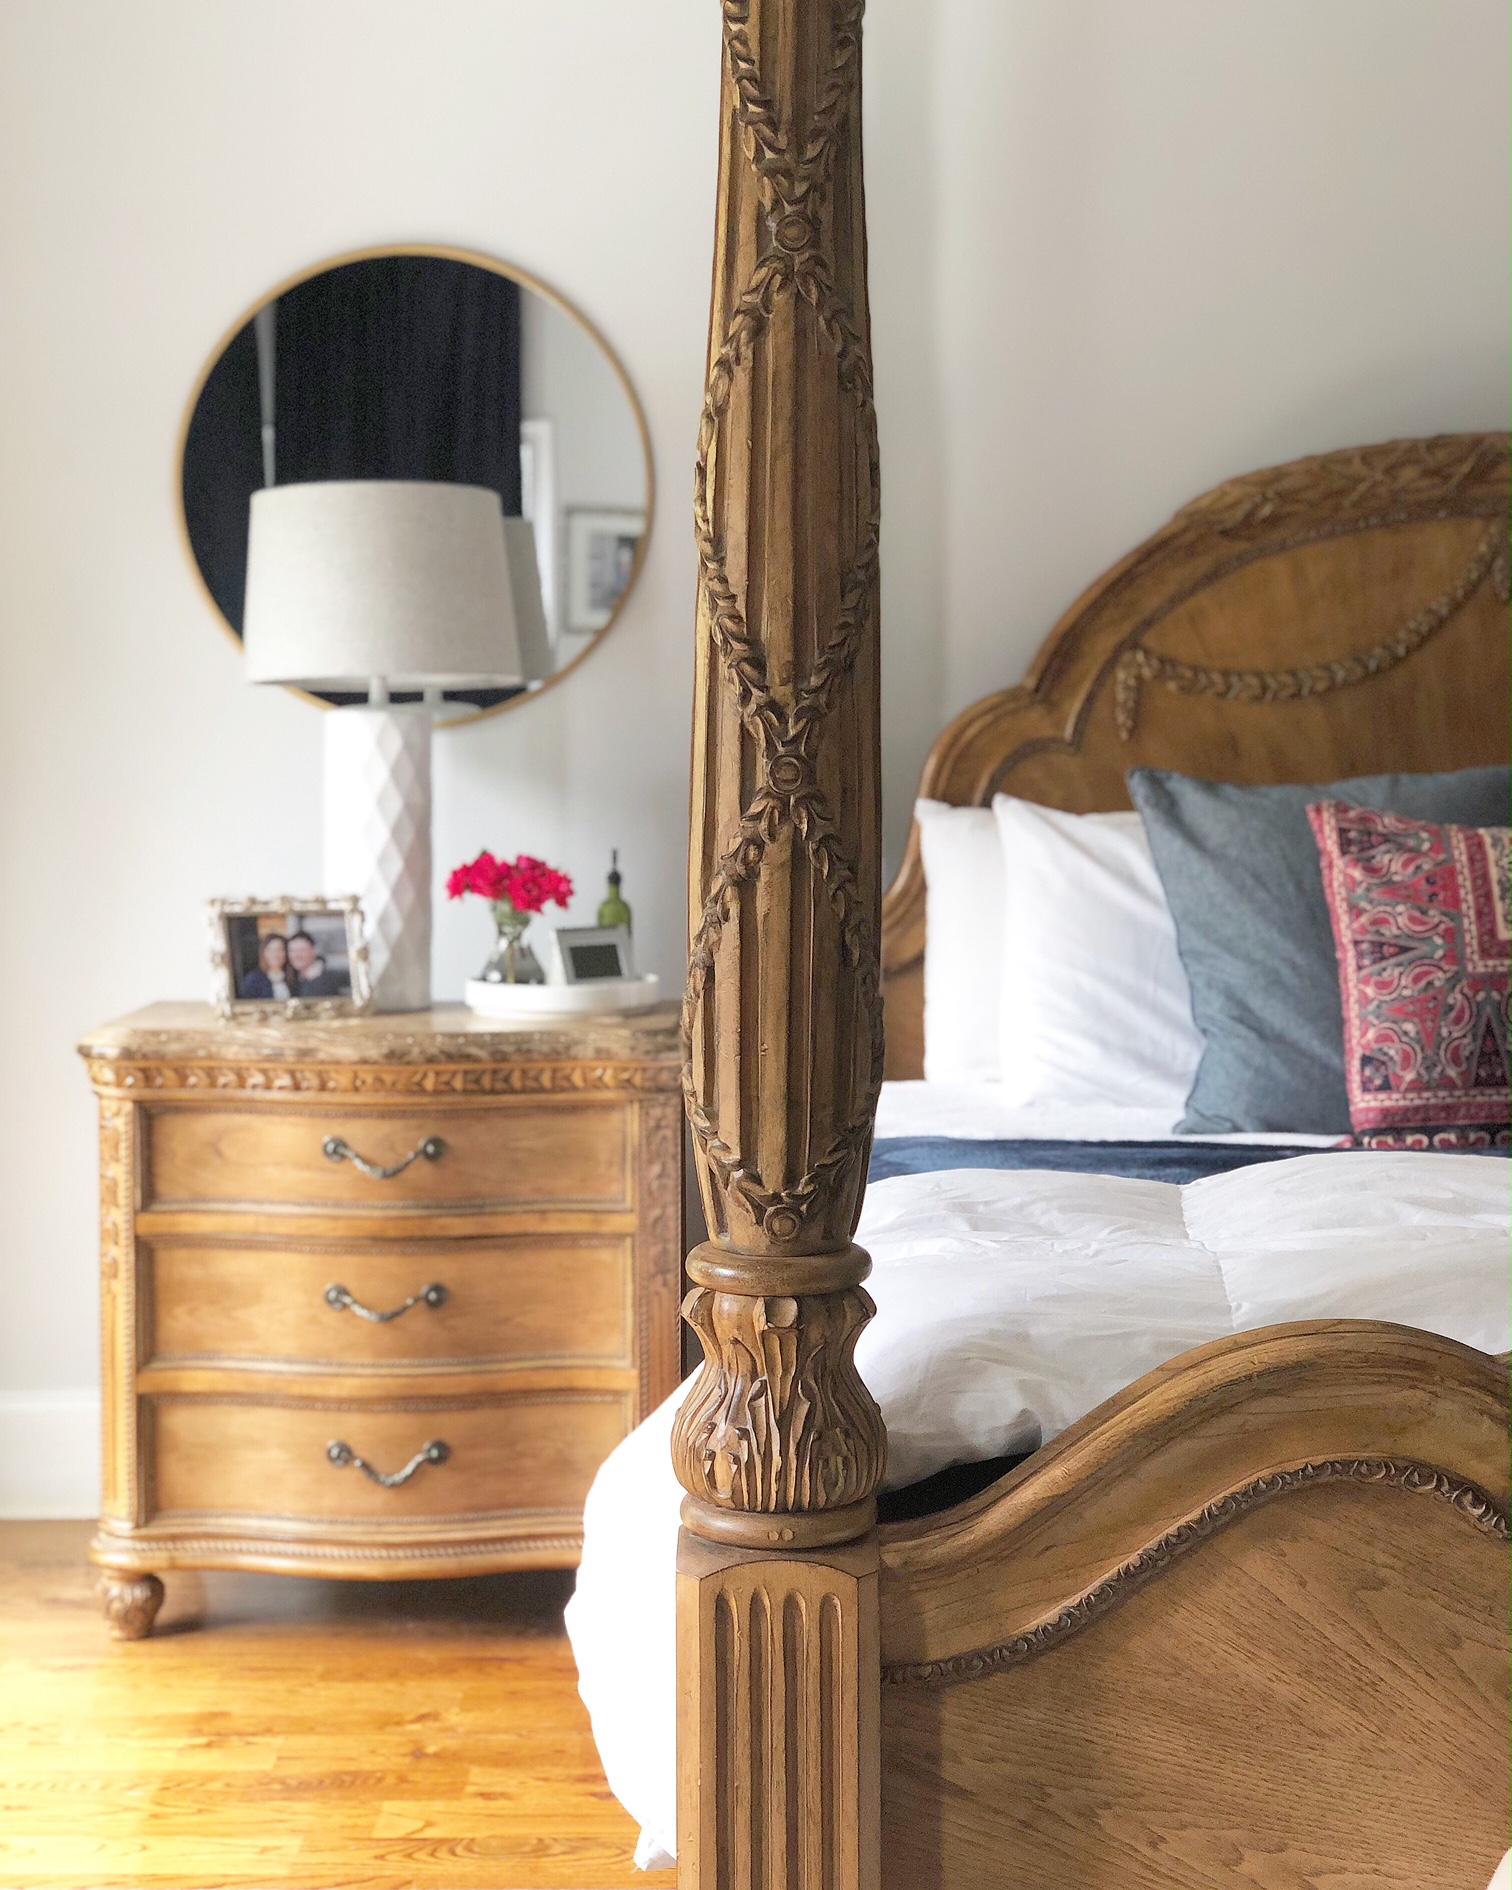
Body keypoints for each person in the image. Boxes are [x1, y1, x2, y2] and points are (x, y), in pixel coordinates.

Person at [287, 929, 344, 997]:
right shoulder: (293, 979)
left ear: (313, 951)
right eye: (292, 951)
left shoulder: (329, 979)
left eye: (302, 950)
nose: (297, 955)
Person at [239, 933, 292, 1001]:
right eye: (271, 950)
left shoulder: (293, 978)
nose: (276, 954)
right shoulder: (253, 980)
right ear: (263, 952)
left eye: (280, 949)